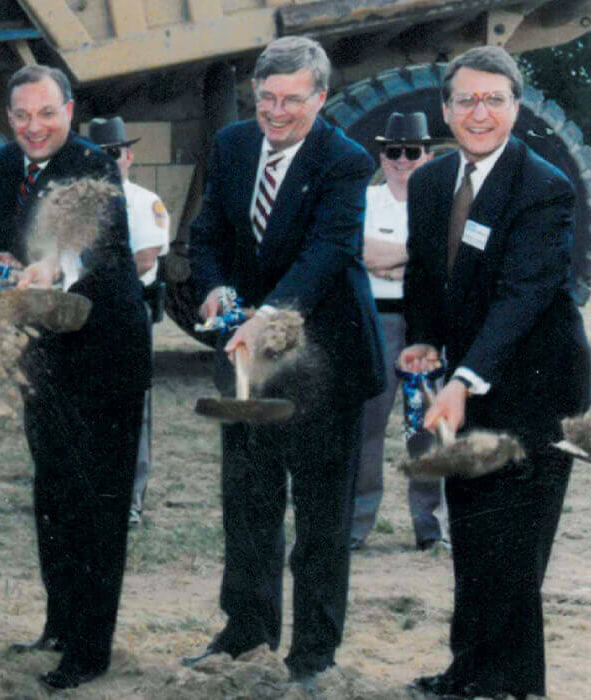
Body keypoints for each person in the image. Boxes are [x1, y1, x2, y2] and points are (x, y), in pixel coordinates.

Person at [178, 37, 382, 687]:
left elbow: (327, 253)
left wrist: (271, 314)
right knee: (248, 507)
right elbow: (208, 234)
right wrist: (212, 286)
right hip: (246, 367)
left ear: (320, 97)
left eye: (292, 100)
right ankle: (245, 633)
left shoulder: (345, 162)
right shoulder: (233, 145)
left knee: (321, 520)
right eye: (266, 98)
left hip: (327, 362)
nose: (276, 112)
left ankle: (313, 653)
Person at [400, 46, 588, 699]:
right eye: (466, 100)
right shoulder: (427, 182)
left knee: (512, 544)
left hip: (539, 390)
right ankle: (470, 672)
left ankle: (515, 686)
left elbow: (522, 296)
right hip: (469, 388)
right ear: (446, 109)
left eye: (494, 100)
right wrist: (423, 339)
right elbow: (426, 275)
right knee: (474, 535)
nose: (480, 113)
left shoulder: (545, 187)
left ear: (516, 107)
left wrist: (459, 380)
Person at [0, 65, 151, 690]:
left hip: (106, 357)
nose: (33, 127)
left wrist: (53, 264)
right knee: (52, 497)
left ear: (69, 111)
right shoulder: (2, 165)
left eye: (46, 114)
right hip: (43, 360)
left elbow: (99, 246)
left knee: (97, 504)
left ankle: (89, 650)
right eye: (21, 115)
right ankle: (59, 621)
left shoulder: (92, 166)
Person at [349, 111, 447, 552]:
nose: (401, 160)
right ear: (381, 155)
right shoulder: (364, 200)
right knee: (367, 426)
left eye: (412, 152)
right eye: (393, 152)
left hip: (424, 325)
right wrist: (416, 255)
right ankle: (355, 525)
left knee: (426, 426)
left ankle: (431, 528)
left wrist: (394, 259)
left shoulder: (444, 202)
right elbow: (360, 252)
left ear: (427, 156)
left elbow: (443, 259)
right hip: (377, 321)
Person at [82, 116, 170, 526]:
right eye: (98, 153)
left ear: (129, 156)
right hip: (83, 316)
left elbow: (145, 257)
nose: (107, 160)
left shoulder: (143, 201)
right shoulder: (74, 201)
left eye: (114, 153)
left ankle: (130, 499)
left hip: (127, 311)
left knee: (133, 407)